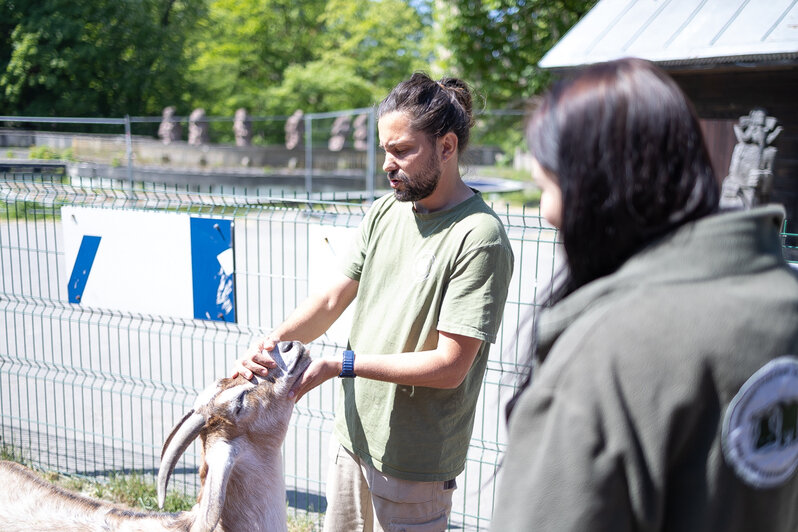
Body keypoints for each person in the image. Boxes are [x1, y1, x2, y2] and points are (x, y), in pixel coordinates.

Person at [492, 57, 798, 531]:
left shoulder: (607, 352)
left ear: (590, 188)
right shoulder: (783, 300)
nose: (547, 211)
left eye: (544, 187)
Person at [232, 72, 514, 531]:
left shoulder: (479, 237)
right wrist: (272, 343)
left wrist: (341, 364)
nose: (388, 163)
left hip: (413, 464)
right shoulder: (387, 211)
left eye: (402, 150)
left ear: (446, 147)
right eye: (385, 149)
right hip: (352, 438)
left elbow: (450, 366)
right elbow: (329, 301)